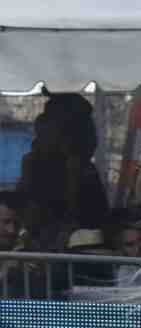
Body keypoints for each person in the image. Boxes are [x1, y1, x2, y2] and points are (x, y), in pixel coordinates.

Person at [16, 92, 109, 252]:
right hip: (44, 241)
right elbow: (27, 205)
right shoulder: (34, 162)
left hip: (77, 245)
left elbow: (92, 215)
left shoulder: (83, 168)